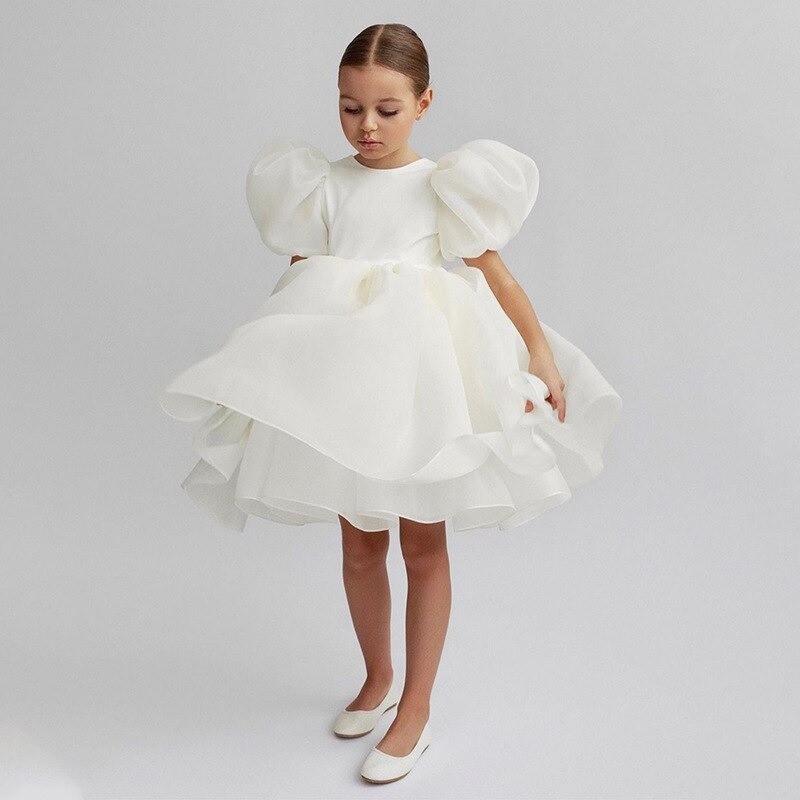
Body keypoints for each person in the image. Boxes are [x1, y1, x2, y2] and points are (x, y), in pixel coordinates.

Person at [158, 22, 622, 784]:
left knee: (422, 545)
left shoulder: (441, 186)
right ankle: (377, 677)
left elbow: (495, 274)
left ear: (424, 103)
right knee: (359, 542)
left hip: (422, 382)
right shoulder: (323, 186)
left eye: (386, 110)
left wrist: (537, 352)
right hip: (352, 384)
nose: (366, 127)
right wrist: (276, 368)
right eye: (350, 109)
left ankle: (418, 706)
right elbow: (305, 283)